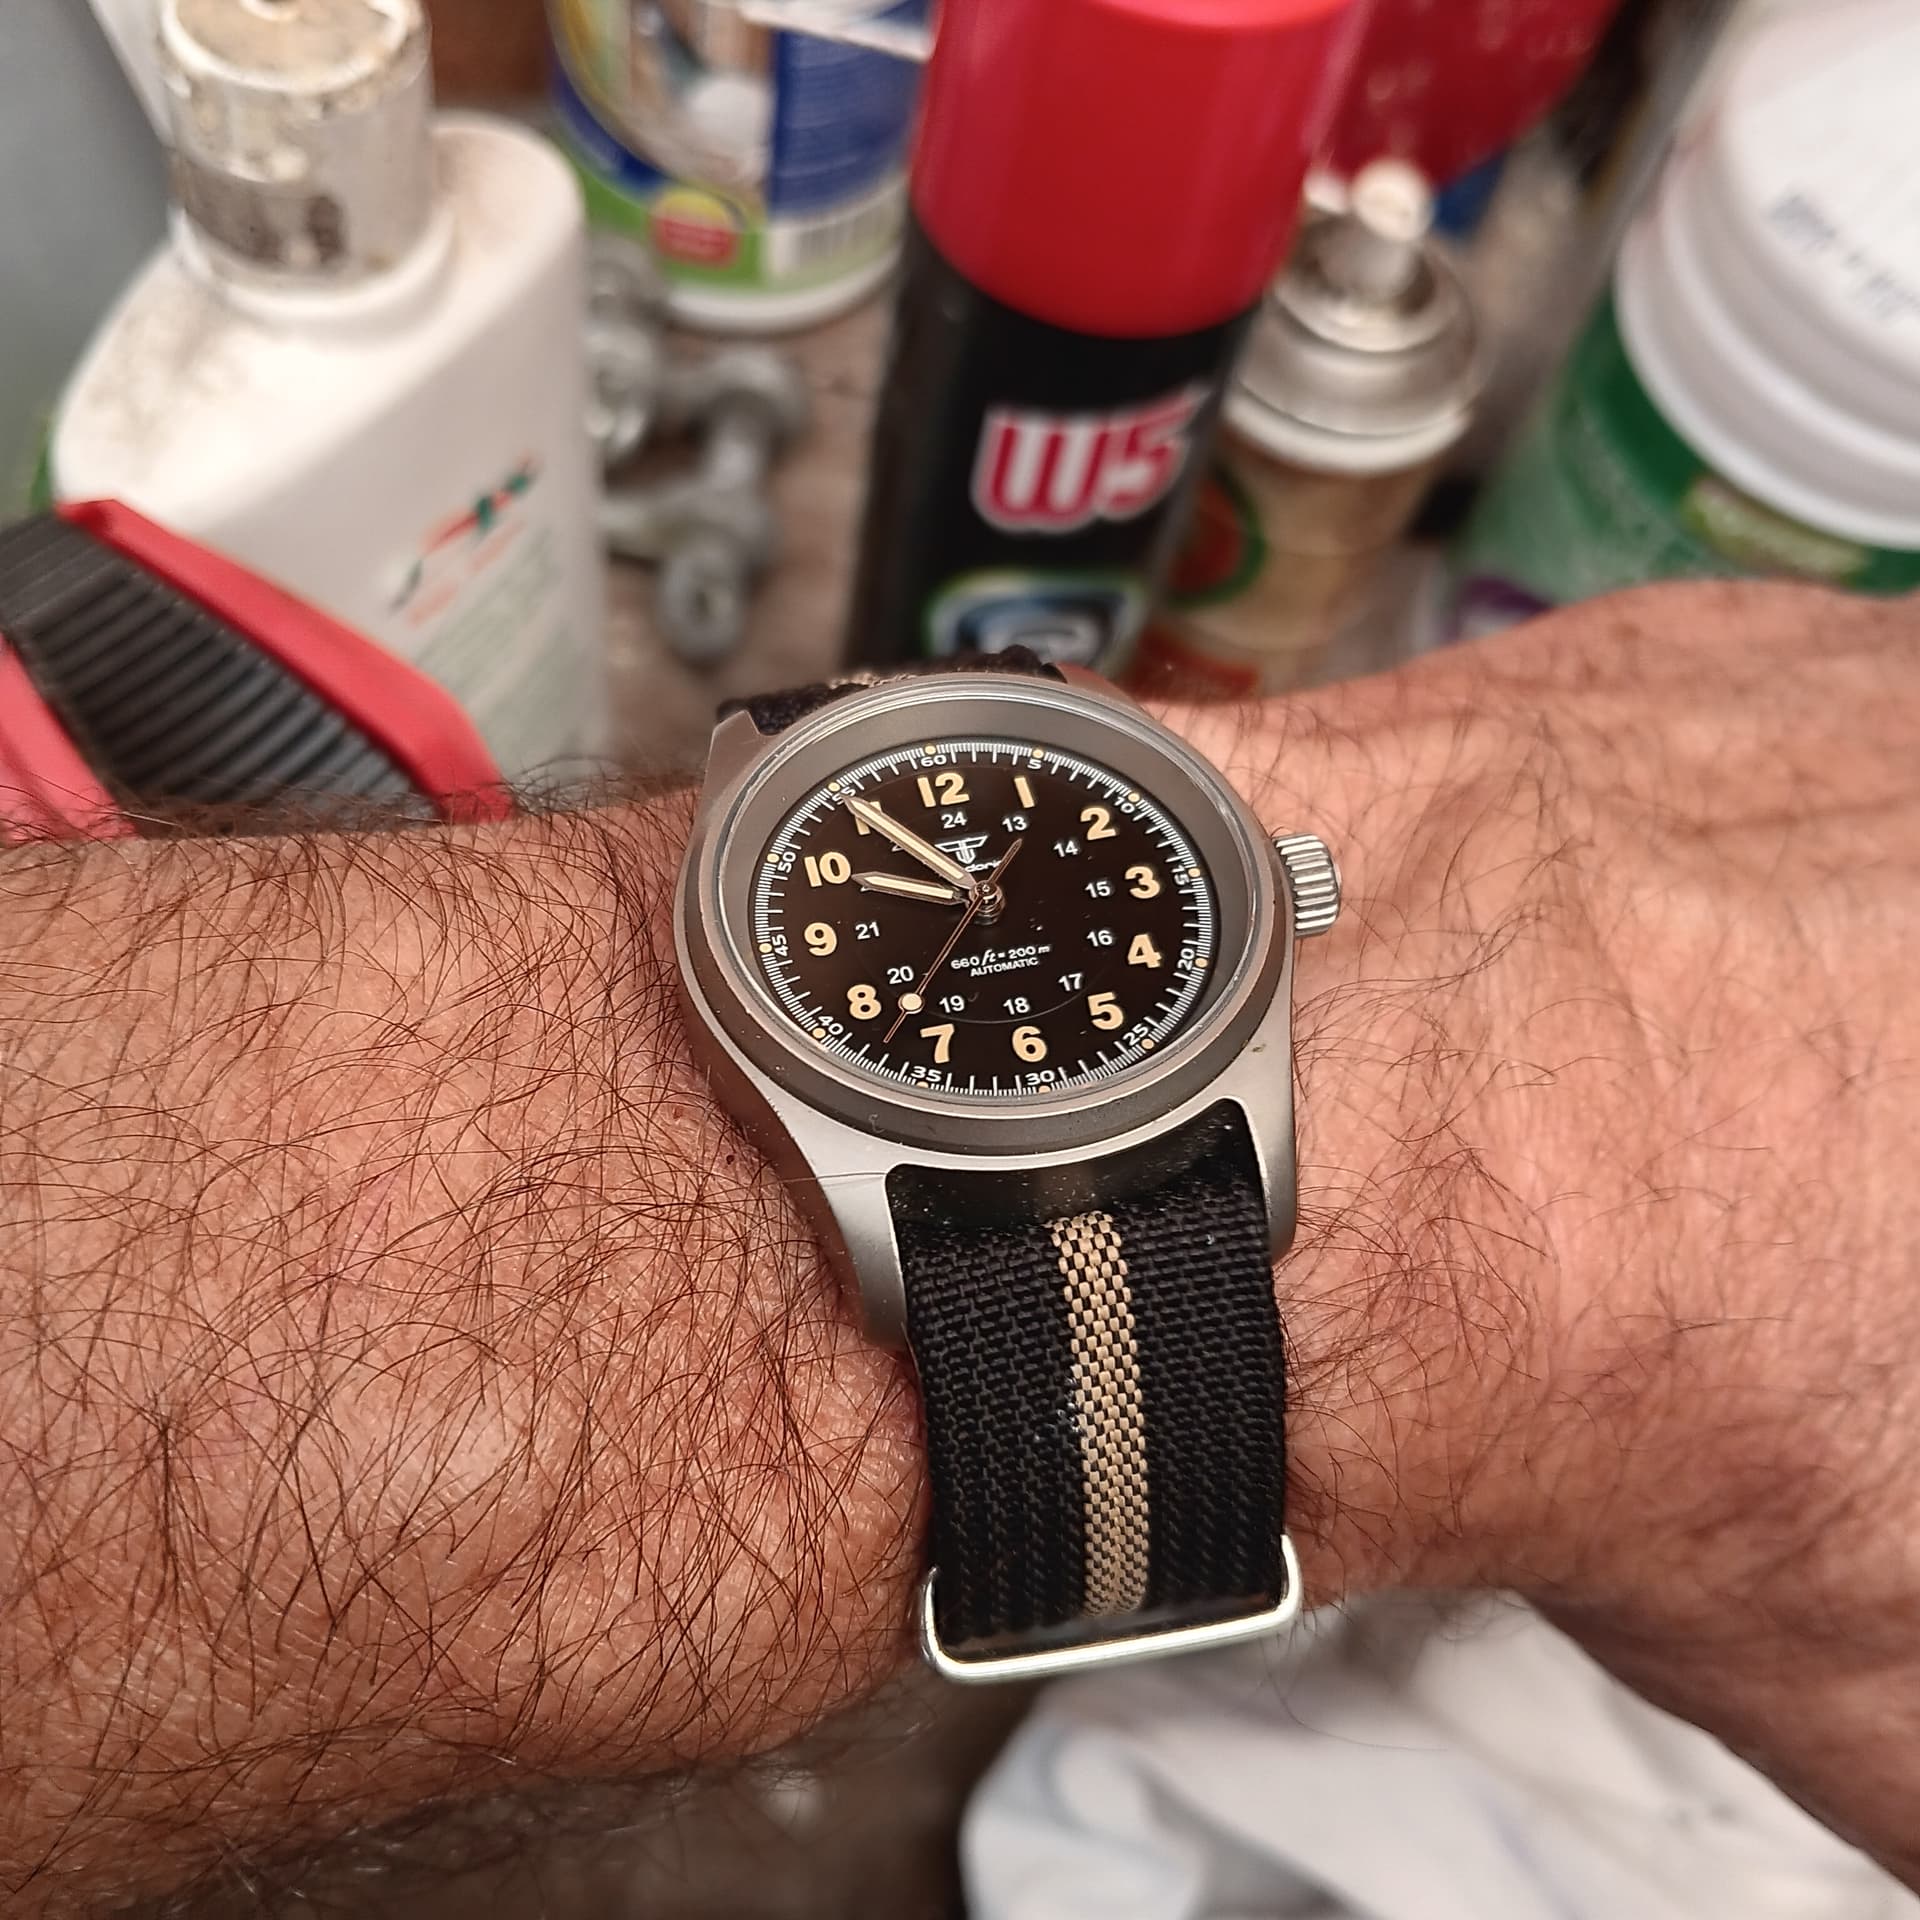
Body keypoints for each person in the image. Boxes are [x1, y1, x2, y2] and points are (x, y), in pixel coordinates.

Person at [0, 579, 1915, 1916]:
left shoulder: (1233, 1021)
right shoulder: (846, 1163)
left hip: (1157, 1099)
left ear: (1278, 891)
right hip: (918, 1149)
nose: (1001, 897)